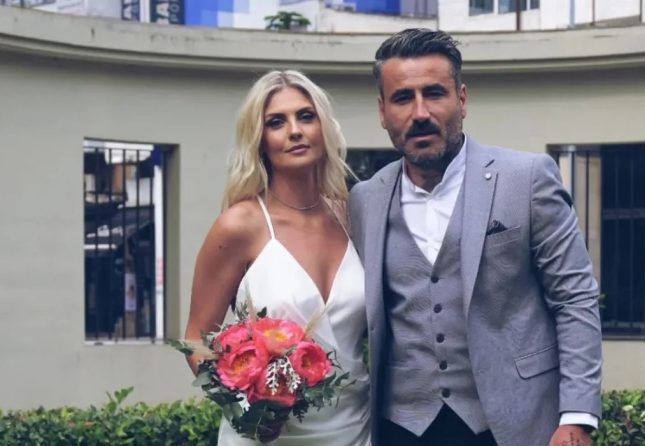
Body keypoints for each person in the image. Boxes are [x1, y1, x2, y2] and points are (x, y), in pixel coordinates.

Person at [348, 29, 603, 446]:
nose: (420, 113)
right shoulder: (365, 199)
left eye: (434, 93)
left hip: (512, 424)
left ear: (462, 99)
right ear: (382, 111)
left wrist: (575, 417)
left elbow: (574, 298)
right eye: (402, 98)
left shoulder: (527, 178)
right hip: (402, 428)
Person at [184, 70, 370, 446]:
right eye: (276, 122)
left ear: (324, 127)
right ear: (260, 140)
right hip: (269, 437)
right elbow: (195, 338)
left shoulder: (353, 217)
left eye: (306, 116)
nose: (294, 131)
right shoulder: (240, 225)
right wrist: (245, 409)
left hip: (357, 430)